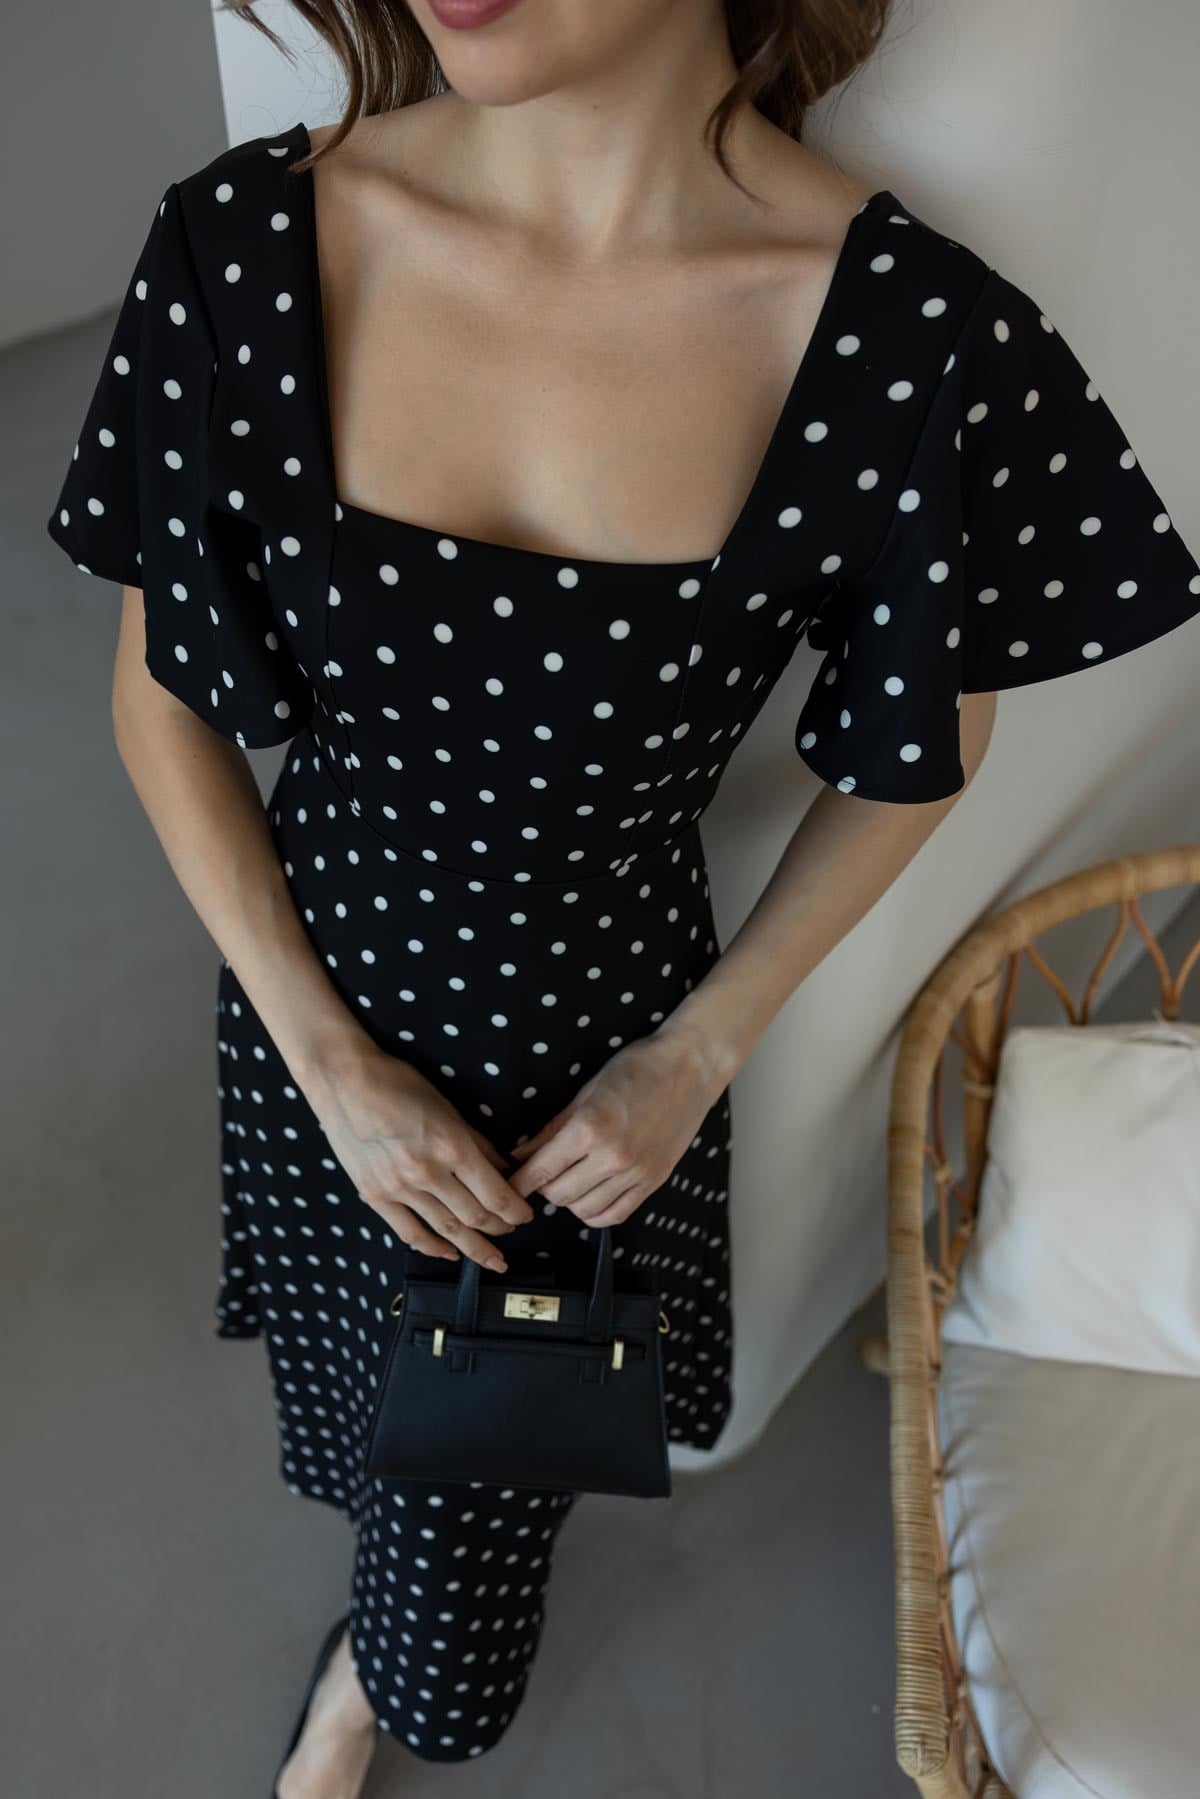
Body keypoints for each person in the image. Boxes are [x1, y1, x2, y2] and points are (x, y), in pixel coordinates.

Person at [44, 1, 1200, 1794]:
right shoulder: (244, 242)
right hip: (311, 995)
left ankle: (394, 1680)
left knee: (494, 1455)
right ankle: (374, 1627)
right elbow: (162, 703)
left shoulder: (906, 335)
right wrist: (329, 1061)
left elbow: (916, 750)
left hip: (599, 1057)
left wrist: (697, 1051)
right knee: (356, 1376)